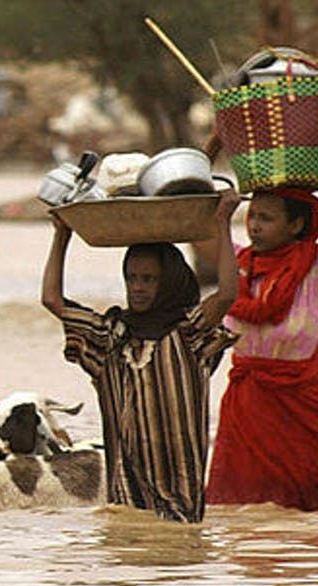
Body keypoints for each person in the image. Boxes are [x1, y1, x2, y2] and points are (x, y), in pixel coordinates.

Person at [40, 190, 241, 522]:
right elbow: (52, 300)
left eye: (149, 279)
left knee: (177, 552)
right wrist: (62, 235)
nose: (138, 287)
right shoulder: (111, 336)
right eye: (132, 278)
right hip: (126, 494)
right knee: (129, 549)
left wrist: (222, 223)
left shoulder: (188, 334)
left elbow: (227, 294)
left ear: (169, 283)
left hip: (181, 501)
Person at [208, 188, 318, 510]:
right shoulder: (239, 266)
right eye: (251, 215)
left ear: (296, 225)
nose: (254, 225)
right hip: (247, 405)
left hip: (302, 405)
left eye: (266, 218)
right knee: (240, 512)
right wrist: (220, 217)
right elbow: (194, 232)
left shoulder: (312, 270)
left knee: (302, 513)